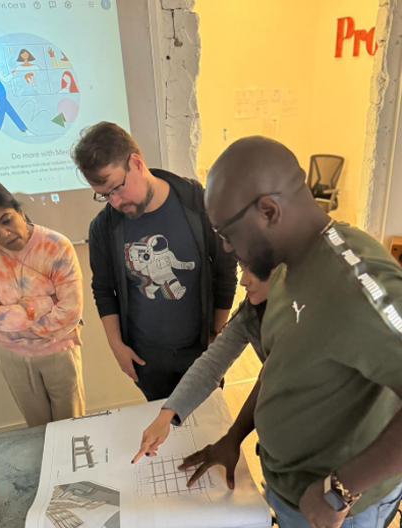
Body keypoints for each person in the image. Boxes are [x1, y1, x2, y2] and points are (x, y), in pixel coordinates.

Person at [180, 136, 402, 528]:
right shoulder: (282, 266)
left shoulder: (358, 283)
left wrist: (340, 490)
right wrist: (235, 437)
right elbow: (280, 369)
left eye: (226, 234)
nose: (228, 249)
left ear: (269, 211)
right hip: (288, 490)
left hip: (340, 510)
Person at [71, 122, 237, 401]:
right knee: (164, 432)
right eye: (104, 195)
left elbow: (225, 270)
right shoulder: (104, 227)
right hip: (147, 357)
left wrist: (217, 336)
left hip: (201, 350)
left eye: (116, 188)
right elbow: (103, 289)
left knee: (207, 428)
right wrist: (116, 345)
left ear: (135, 163)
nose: (114, 201)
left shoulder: (199, 204)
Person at [0, 180, 86, 427]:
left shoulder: (56, 246)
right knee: (37, 430)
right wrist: (43, 304)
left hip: (59, 351)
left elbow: (69, 312)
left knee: (72, 428)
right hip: (13, 358)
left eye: (6, 220)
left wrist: (15, 324)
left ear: (19, 211)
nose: (3, 234)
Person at [132, 262, 269, 463]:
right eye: (241, 267)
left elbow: (271, 380)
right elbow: (212, 363)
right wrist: (167, 415)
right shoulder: (251, 310)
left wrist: (234, 436)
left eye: (252, 269)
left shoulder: (308, 317)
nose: (242, 280)